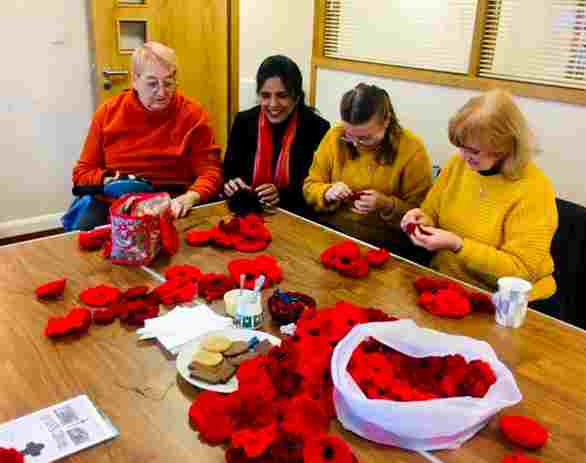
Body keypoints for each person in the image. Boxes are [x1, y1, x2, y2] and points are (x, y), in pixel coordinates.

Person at [401, 89, 558, 311]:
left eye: (473, 151)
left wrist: (458, 245)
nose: (464, 156)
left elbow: (521, 270)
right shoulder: (460, 163)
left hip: (506, 302)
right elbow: (432, 213)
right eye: (460, 147)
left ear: (504, 147)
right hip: (449, 283)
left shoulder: (534, 189)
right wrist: (421, 220)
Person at [70, 41, 223, 230]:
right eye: (152, 84)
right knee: (83, 243)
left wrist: (190, 197)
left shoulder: (193, 115)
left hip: (172, 201)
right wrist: (113, 181)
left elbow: (210, 173)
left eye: (168, 83)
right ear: (135, 80)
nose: (161, 93)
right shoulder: (108, 112)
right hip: (115, 203)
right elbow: (82, 173)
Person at [303, 83, 433, 258]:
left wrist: (387, 205)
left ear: (386, 121)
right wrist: (327, 192)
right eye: (350, 135)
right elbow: (310, 186)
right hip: (332, 234)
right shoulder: (335, 137)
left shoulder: (412, 150)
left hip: (386, 247)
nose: (356, 144)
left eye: (365, 138)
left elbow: (423, 215)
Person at [223, 55, 330, 215]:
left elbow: (317, 188)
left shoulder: (317, 127)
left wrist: (281, 194)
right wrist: (231, 184)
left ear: (296, 96)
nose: (273, 104)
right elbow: (228, 172)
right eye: (265, 95)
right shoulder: (243, 121)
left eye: (282, 95)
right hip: (247, 212)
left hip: (295, 216)